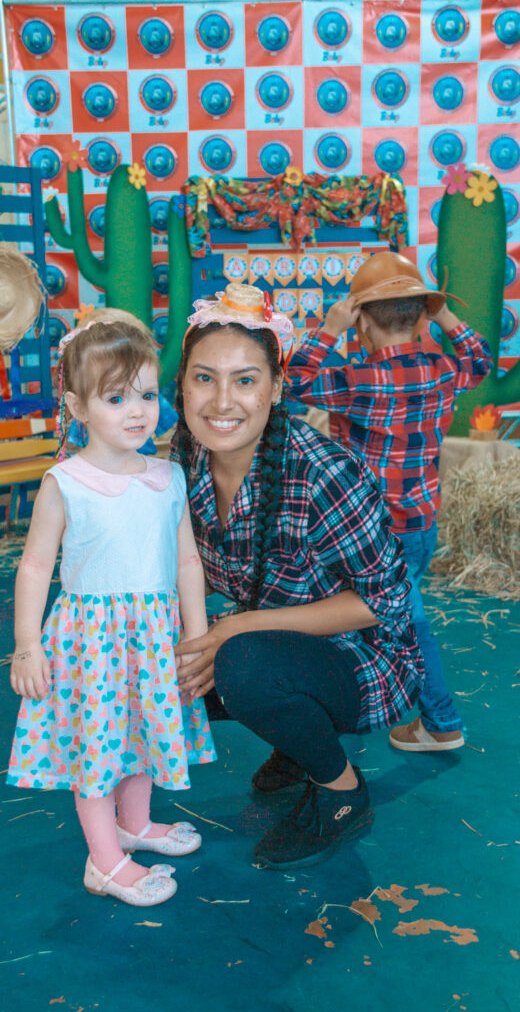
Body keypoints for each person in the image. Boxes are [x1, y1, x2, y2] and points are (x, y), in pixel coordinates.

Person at [170, 282, 424, 870]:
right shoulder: (184, 456)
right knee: (150, 655)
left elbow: (383, 603)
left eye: (245, 380)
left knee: (242, 664)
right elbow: (194, 569)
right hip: (275, 640)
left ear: (277, 387)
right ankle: (297, 742)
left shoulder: (322, 472)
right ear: (182, 384)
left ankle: (341, 791)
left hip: (362, 656)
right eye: (204, 378)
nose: (222, 401)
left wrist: (232, 629)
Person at [7, 310, 216, 907]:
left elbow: (186, 563)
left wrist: (198, 637)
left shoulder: (168, 477)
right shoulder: (66, 481)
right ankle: (103, 861)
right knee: (98, 748)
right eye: (116, 397)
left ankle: (136, 824)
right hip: (90, 644)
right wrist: (27, 645)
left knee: (144, 732)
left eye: (147, 395)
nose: (137, 411)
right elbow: (35, 567)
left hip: (154, 638)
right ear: (77, 407)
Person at [287, 251, 494, 753]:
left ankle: (441, 723)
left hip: (369, 535)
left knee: (399, 622)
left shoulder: (356, 382)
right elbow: (481, 360)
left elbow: (290, 381)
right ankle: (377, 708)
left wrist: (329, 329)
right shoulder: (443, 369)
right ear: (423, 317)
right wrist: (445, 315)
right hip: (420, 526)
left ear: (360, 323)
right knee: (386, 616)